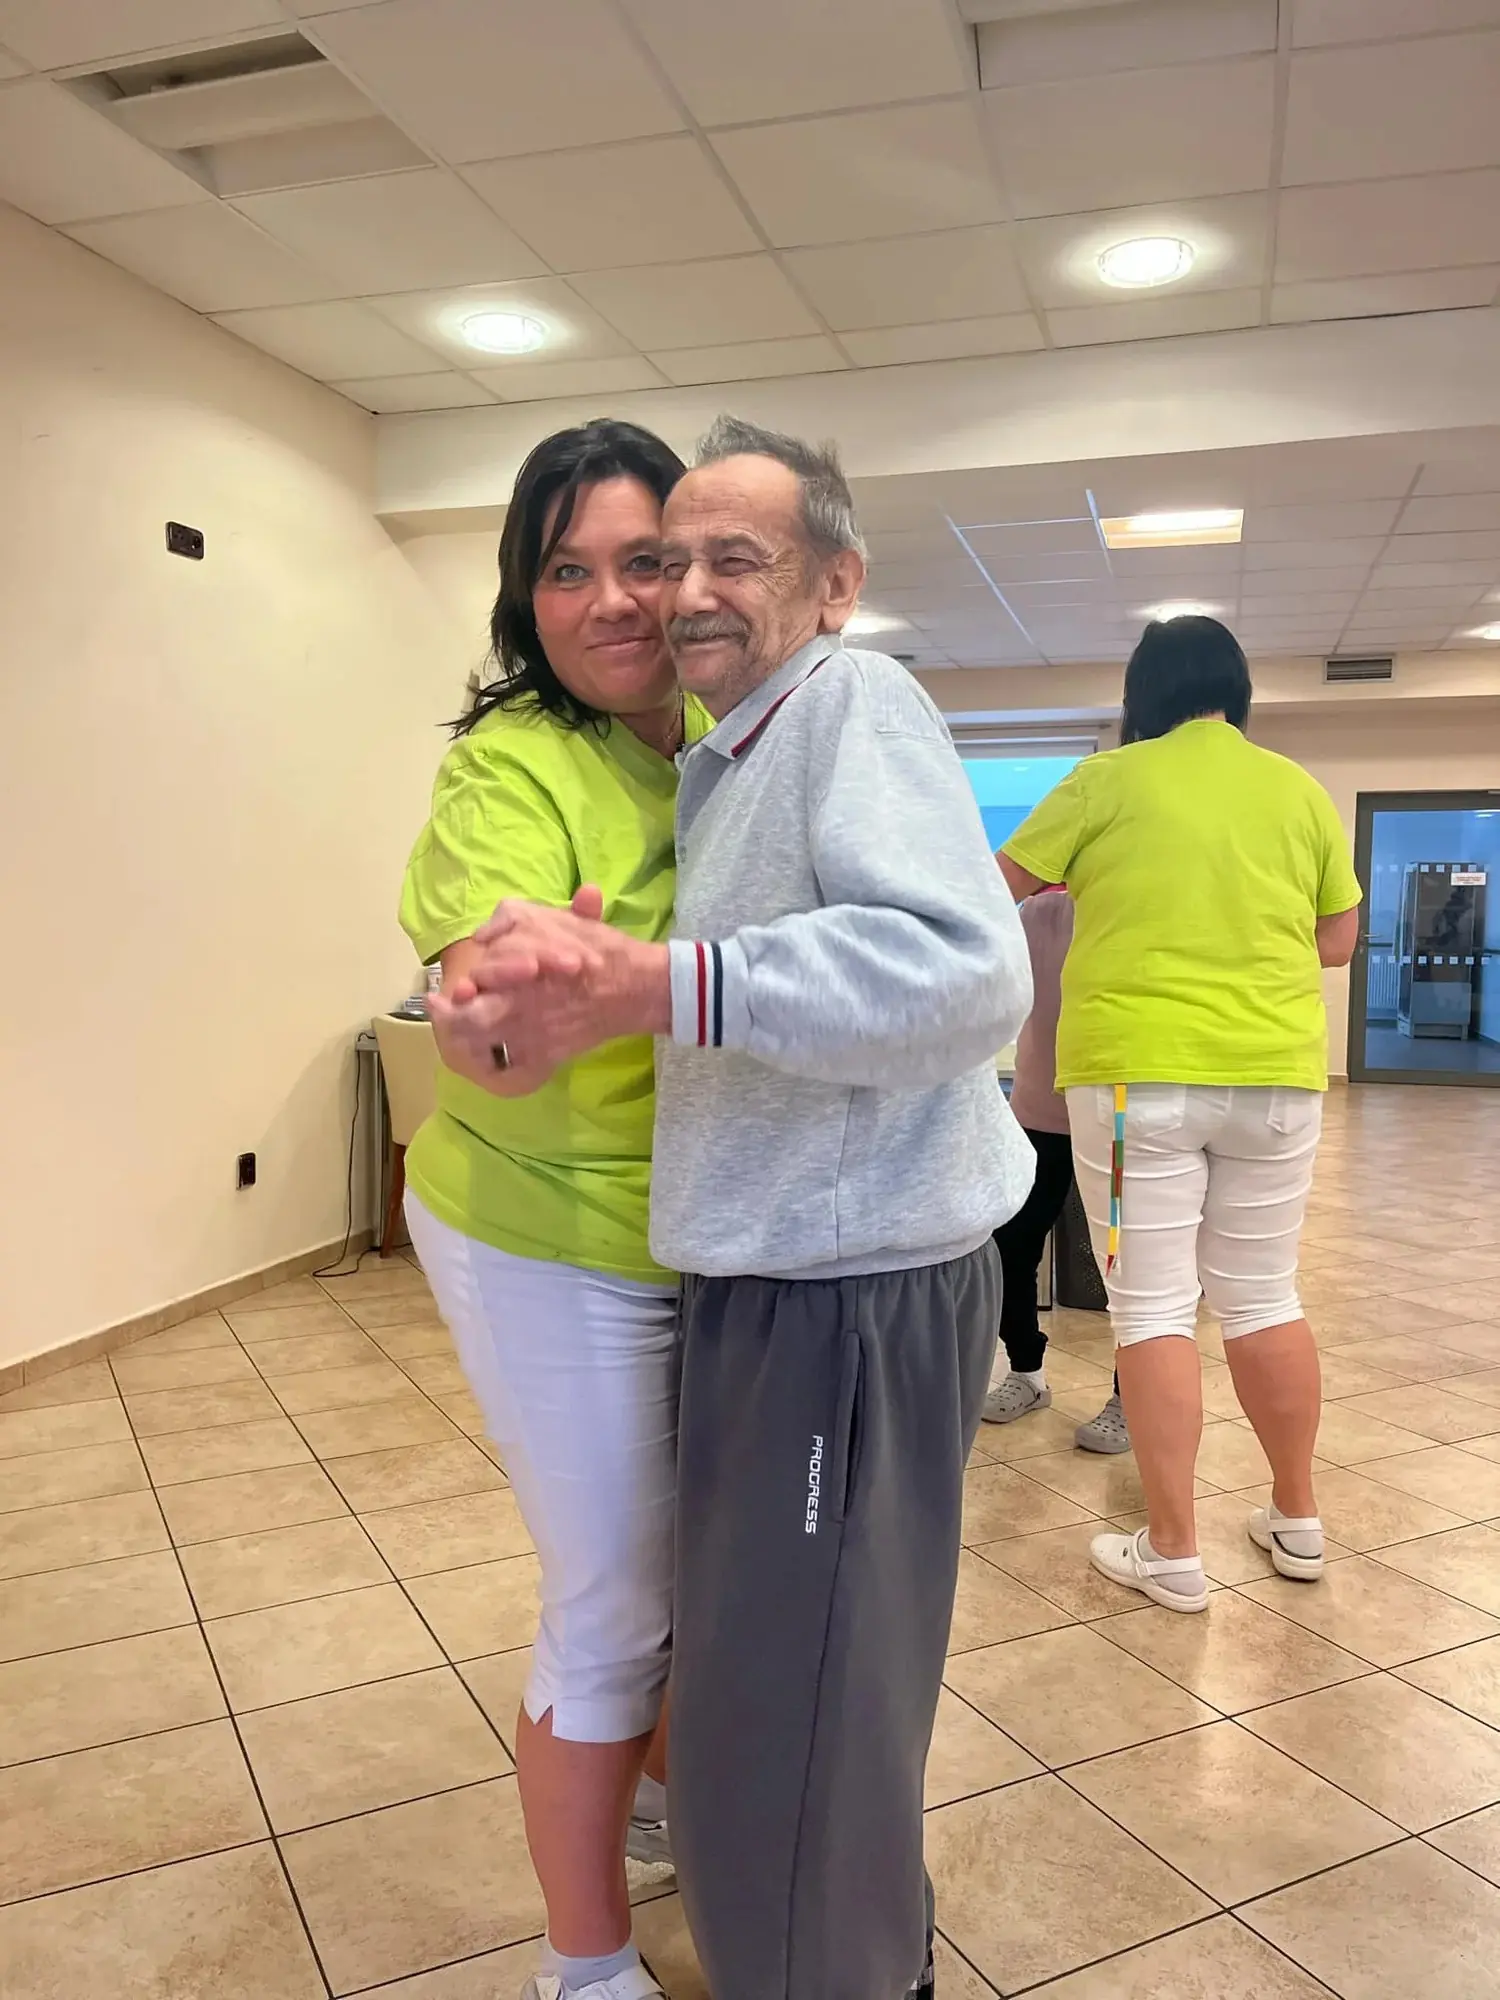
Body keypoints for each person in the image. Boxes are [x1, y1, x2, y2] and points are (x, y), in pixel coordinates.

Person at [433, 416, 1036, 2000]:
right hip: (771, 1277)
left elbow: (968, 972)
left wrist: (666, 982)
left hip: (841, 1286)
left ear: (835, 585)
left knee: (803, 1702)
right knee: (798, 1681)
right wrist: (506, 1006)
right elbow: (495, 992)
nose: (677, 592)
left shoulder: (848, 704)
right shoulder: (725, 748)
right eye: (660, 559)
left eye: (722, 558)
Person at [399, 418, 705, 2000]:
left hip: (709, 1228)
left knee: (697, 1580)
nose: (611, 602)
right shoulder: (510, 763)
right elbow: (488, 989)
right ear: (528, 598)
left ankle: (649, 1803)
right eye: (566, 571)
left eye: (641, 560)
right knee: (616, 1603)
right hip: (544, 1232)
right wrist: (495, 1018)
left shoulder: (735, 730)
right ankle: (582, 1968)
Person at [997, 616, 1361, 1613]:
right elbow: (1336, 941)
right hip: (1277, 1077)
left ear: (1140, 698)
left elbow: (996, 893)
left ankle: (1173, 1550)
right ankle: (1296, 1519)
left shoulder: (1101, 782)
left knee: (1152, 1309)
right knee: (1265, 1296)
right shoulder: (1297, 789)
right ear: (1237, 693)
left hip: (1133, 1087)